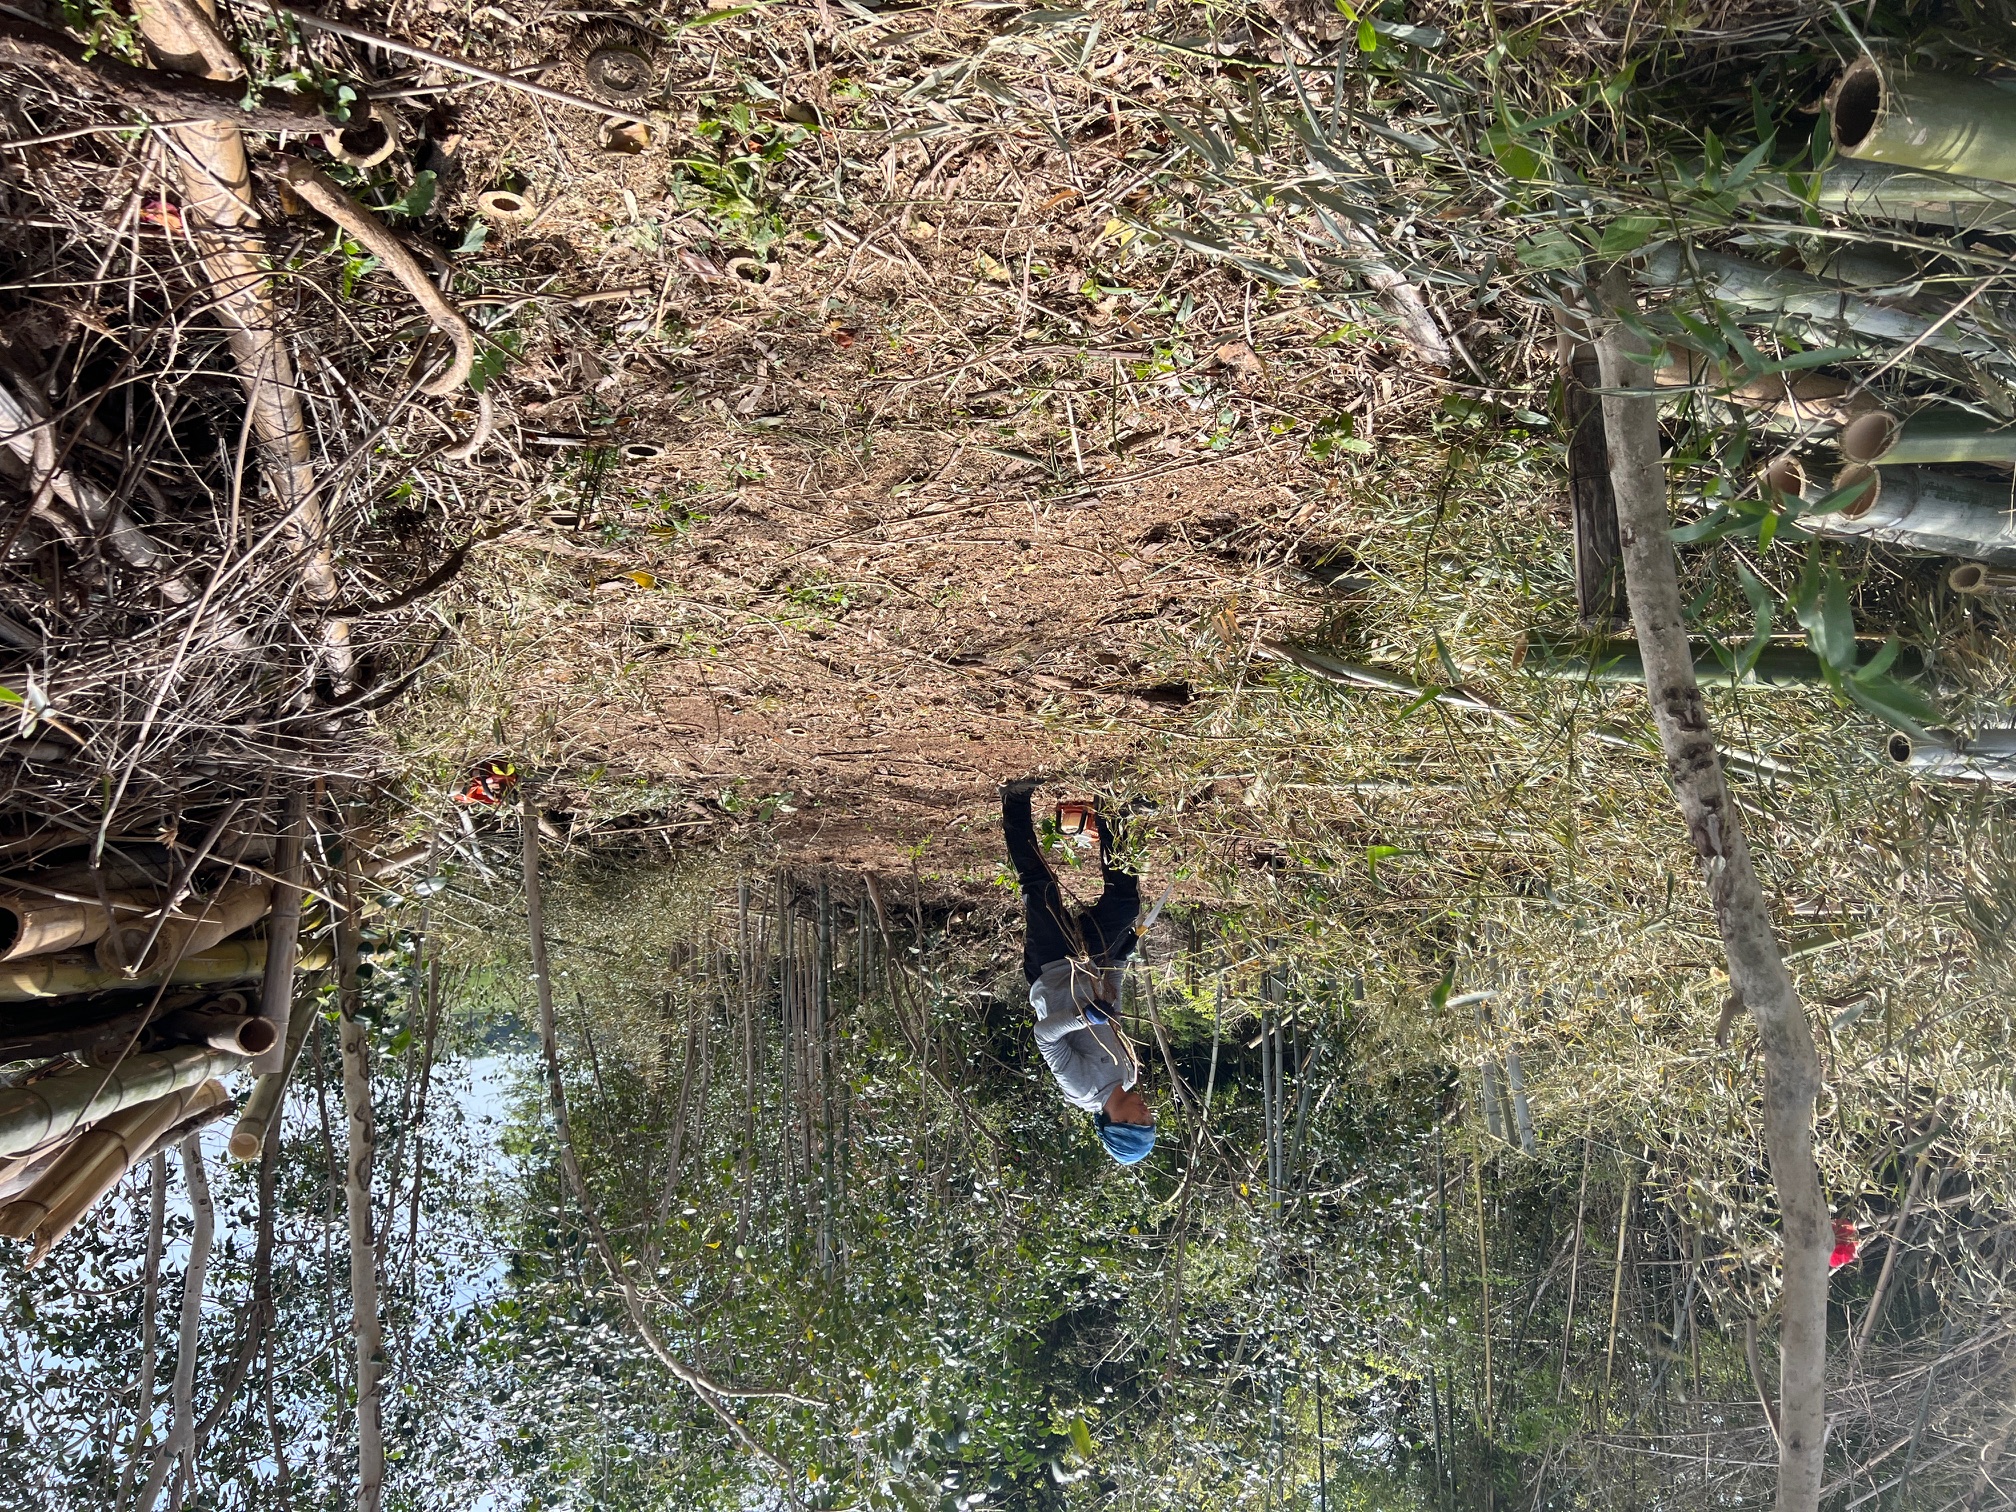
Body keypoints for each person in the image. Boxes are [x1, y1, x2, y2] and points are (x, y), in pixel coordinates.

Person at [1001, 777, 1156, 1165]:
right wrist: (1122, 958)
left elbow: (1045, 1037)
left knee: (1041, 886)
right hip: (1092, 965)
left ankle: (1015, 801)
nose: (1146, 1113)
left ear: (1117, 1122)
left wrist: (1081, 1017)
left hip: (1052, 970)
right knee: (1124, 903)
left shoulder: (1083, 1090)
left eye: (1140, 1121)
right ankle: (1114, 810)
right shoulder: (1128, 1074)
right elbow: (1112, 1005)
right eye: (1149, 1120)